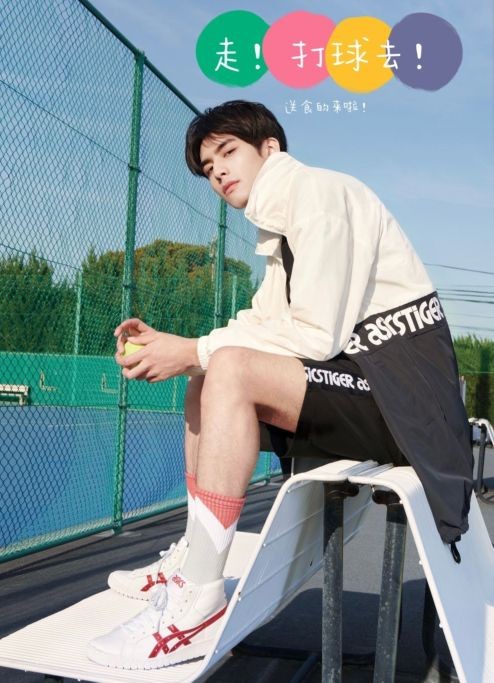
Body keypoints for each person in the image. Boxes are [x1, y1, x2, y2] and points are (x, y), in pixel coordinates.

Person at [87, 100, 473, 670]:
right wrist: (186, 349)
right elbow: (262, 325)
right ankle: (194, 559)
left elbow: (314, 336)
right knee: (208, 373)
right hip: (365, 388)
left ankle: (198, 602)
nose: (218, 171)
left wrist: (193, 351)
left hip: (406, 407)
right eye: (207, 167)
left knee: (226, 366)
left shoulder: (320, 196)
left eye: (227, 152)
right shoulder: (280, 229)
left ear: (269, 147)